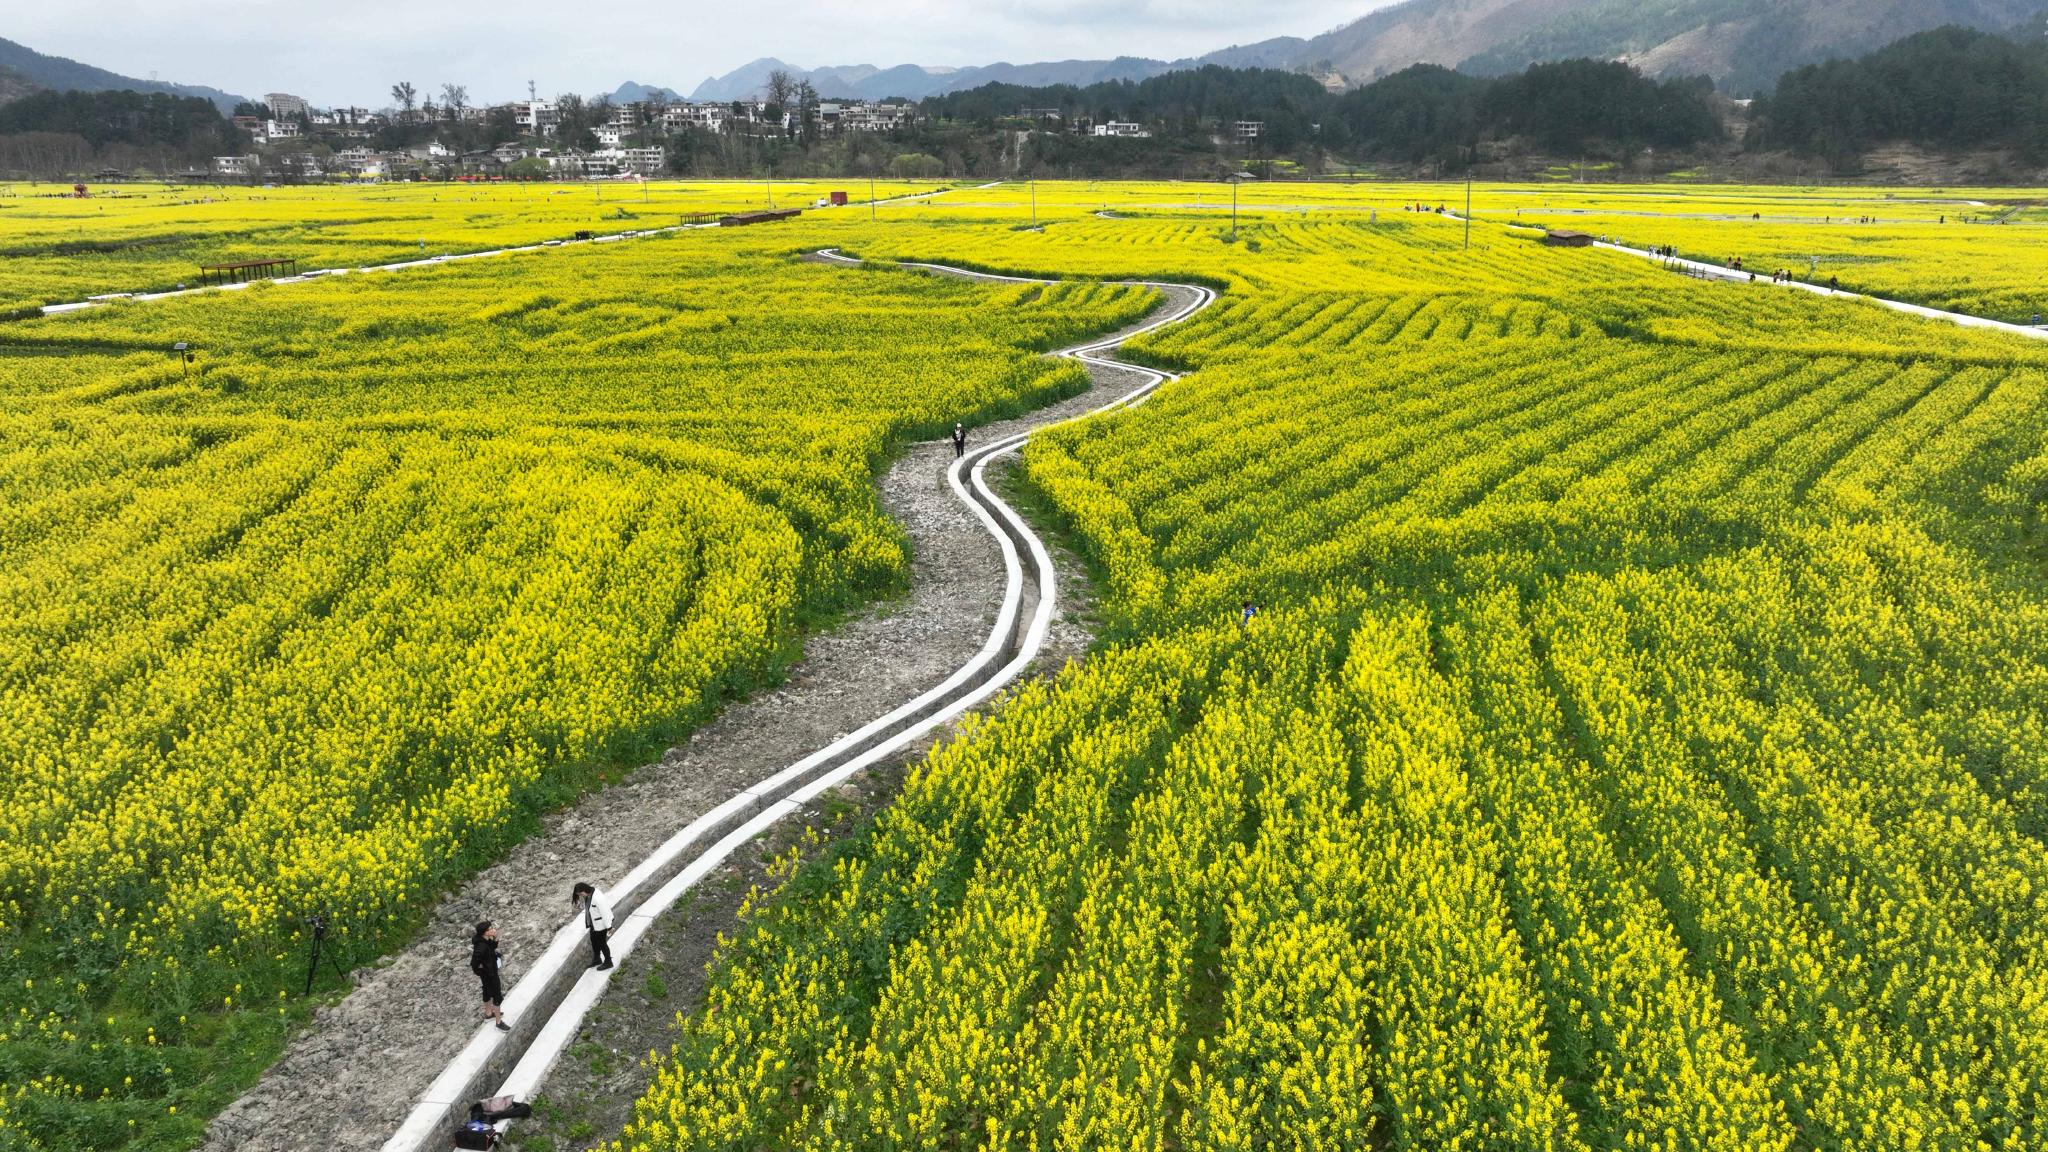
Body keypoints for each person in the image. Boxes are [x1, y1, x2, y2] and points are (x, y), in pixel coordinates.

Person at [471, 922, 510, 1031]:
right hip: (490, 974)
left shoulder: (485, 940)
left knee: (486, 992)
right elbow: (474, 963)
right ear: (484, 932)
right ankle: (498, 1022)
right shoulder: (481, 947)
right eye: (490, 929)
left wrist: (495, 937)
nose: (493, 930)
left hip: (488, 973)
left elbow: (493, 946)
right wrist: (483, 971)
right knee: (497, 996)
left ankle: (488, 1014)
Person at [572, 882, 614, 971]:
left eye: (581, 894)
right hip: (594, 924)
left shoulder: (597, 897)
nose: (581, 896)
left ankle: (608, 962)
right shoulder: (589, 895)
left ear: (584, 890)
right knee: (594, 941)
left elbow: (605, 912)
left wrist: (609, 927)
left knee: (602, 943)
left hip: (601, 924)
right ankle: (597, 959)